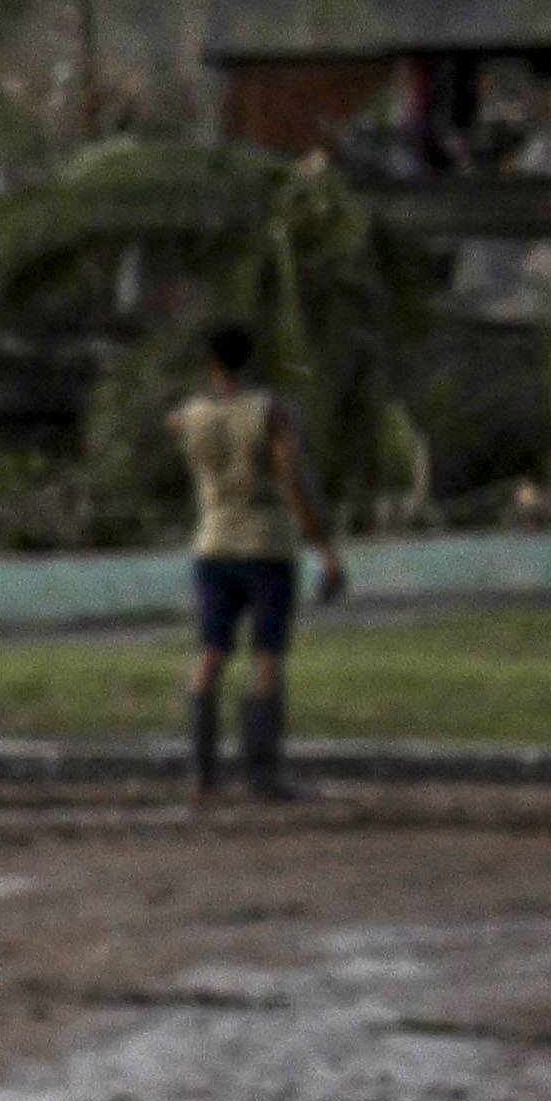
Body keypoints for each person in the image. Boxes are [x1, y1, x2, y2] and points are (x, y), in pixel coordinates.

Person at [173, 314, 342, 801]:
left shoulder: (190, 416)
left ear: (208, 361)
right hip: (267, 544)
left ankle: (203, 771)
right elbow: (293, 481)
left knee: (210, 654)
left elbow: (181, 429)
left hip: (213, 542)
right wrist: (325, 549)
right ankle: (262, 773)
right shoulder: (270, 412)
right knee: (266, 658)